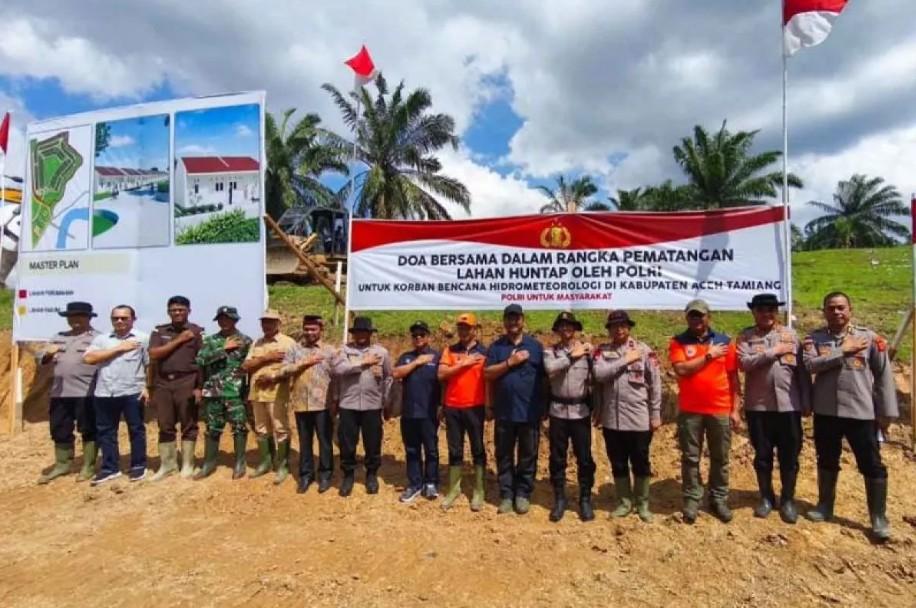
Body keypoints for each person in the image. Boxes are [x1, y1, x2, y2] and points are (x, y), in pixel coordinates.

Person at [803, 291, 898, 540]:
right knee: (826, 459)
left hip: (861, 412)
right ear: (824, 311)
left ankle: (878, 517)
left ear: (850, 310)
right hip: (826, 412)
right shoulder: (814, 339)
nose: (836, 312)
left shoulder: (869, 339)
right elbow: (811, 365)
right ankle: (825, 505)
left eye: (841, 307)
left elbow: (884, 377)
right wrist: (843, 351)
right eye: (831, 308)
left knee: (872, 464)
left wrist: (886, 412)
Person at [737, 293, 810, 524]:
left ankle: (788, 500)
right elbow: (744, 363)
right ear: (753, 312)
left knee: (790, 455)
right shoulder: (746, 337)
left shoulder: (791, 336)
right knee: (763, 455)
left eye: (770, 309)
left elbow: (802, 372)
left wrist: (806, 400)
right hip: (758, 407)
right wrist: (773, 352)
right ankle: (766, 497)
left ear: (776, 312)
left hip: (789, 406)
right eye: (761, 309)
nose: (766, 313)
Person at [668, 299, 740, 524]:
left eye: (700, 315)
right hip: (690, 410)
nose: (697, 320)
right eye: (692, 316)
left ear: (709, 316)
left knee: (720, 457)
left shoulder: (725, 342)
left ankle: (718, 498)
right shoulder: (678, 342)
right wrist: (708, 355)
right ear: (686, 317)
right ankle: (691, 498)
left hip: (720, 409)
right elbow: (682, 369)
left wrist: (735, 409)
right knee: (690, 457)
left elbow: (733, 378)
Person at [594, 310, 662, 523]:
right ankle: (624, 502)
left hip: (639, 418)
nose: (619, 329)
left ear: (629, 327)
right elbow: (599, 375)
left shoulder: (644, 350)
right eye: (615, 326)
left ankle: (642, 504)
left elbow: (656, 385)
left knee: (641, 462)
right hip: (612, 419)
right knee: (618, 462)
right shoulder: (602, 351)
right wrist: (624, 360)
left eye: (623, 325)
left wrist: (656, 413)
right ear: (609, 329)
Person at [484, 304, 546, 515]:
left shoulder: (536, 346)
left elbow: (544, 379)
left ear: (523, 320)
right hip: (504, 412)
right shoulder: (496, 347)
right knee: (504, 455)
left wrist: (544, 407)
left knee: (528, 455)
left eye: (516, 318)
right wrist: (509, 362)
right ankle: (506, 494)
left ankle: (523, 494)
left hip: (530, 413)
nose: (513, 322)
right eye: (509, 318)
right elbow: (488, 374)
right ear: (504, 321)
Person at [82, 305, 150, 485]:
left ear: (133, 319)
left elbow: (149, 365)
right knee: (106, 431)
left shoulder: (142, 338)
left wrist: (147, 387)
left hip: (132, 391)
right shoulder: (102, 339)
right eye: (115, 318)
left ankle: (138, 466)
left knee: (136, 430)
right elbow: (89, 358)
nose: (119, 321)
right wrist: (119, 348)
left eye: (124, 318)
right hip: (104, 392)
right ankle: (109, 468)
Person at [36, 302, 101, 484]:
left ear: (89, 317)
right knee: (59, 428)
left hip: (86, 391)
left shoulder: (98, 338)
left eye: (80, 316)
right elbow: (40, 358)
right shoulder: (58, 337)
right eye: (71, 316)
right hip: (60, 393)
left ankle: (88, 465)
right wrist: (48, 354)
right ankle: (62, 464)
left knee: (88, 428)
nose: (75, 320)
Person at [543, 311, 596, 523]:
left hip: (580, 412)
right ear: (557, 330)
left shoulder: (588, 352)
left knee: (584, 458)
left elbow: (596, 382)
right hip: (557, 411)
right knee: (557, 458)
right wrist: (572, 356)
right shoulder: (551, 351)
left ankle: (585, 498)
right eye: (562, 326)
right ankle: (560, 499)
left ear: (575, 329)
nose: (566, 330)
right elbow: (549, 368)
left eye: (570, 326)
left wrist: (598, 408)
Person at [275, 314, 337, 494]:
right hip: (301, 403)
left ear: (321, 330)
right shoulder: (294, 349)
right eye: (306, 329)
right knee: (305, 441)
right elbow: (284, 370)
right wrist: (303, 363)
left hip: (323, 404)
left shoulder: (330, 351)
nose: (309, 332)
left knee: (325, 442)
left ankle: (325, 475)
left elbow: (338, 376)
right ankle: (305, 475)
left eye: (313, 329)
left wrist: (336, 399)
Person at [333, 316, 392, 497]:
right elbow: (339, 370)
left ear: (370, 334)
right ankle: (348, 475)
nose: (361, 335)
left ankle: (371, 474)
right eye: (358, 332)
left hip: (372, 405)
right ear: (353, 333)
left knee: (372, 442)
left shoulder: (381, 352)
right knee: (347, 443)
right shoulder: (344, 350)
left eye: (364, 332)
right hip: (348, 404)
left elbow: (388, 377)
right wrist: (362, 363)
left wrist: (386, 401)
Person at [148, 295, 204, 480]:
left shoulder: (196, 332)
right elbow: (154, 354)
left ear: (189, 311)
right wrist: (179, 339)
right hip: (163, 383)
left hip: (187, 381)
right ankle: (168, 465)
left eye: (181, 309)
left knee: (189, 423)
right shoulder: (159, 331)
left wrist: (199, 387)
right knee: (165, 424)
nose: (177, 313)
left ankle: (188, 464)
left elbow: (202, 362)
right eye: (174, 310)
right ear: (168, 312)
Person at [194, 306, 253, 480]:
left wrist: (249, 392)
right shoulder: (210, 340)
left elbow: (250, 366)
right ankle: (209, 463)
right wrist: (224, 350)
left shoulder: (246, 341)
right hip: (213, 391)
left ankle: (240, 463)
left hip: (235, 392)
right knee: (212, 428)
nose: (224, 322)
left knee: (239, 427)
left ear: (235, 320)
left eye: (228, 319)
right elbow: (201, 360)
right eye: (221, 319)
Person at [437, 312, 488, 511]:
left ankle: (479, 489)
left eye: (468, 327)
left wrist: (490, 405)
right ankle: (454, 488)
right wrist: (462, 364)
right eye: (461, 328)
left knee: (477, 449)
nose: (464, 331)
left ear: (475, 329)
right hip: (453, 406)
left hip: (475, 406)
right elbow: (441, 374)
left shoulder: (484, 352)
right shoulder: (449, 350)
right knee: (454, 448)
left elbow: (488, 381)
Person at [242, 310, 296, 484]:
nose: (267, 325)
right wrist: (266, 358)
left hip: (277, 392)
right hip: (257, 392)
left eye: (271, 322)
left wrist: (275, 376)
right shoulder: (257, 343)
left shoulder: (288, 343)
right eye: (264, 322)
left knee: (280, 428)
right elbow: (246, 366)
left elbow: (294, 368)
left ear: (278, 323)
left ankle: (282, 465)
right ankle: (266, 462)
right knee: (261, 428)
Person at [393, 320, 441, 503]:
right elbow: (396, 373)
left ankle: (431, 482)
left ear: (428, 337)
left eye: (422, 335)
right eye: (415, 335)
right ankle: (414, 484)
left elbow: (444, 382)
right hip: (409, 412)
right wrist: (417, 362)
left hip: (429, 412)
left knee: (431, 450)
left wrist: (441, 406)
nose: (418, 338)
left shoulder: (437, 357)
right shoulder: (406, 357)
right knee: (412, 450)